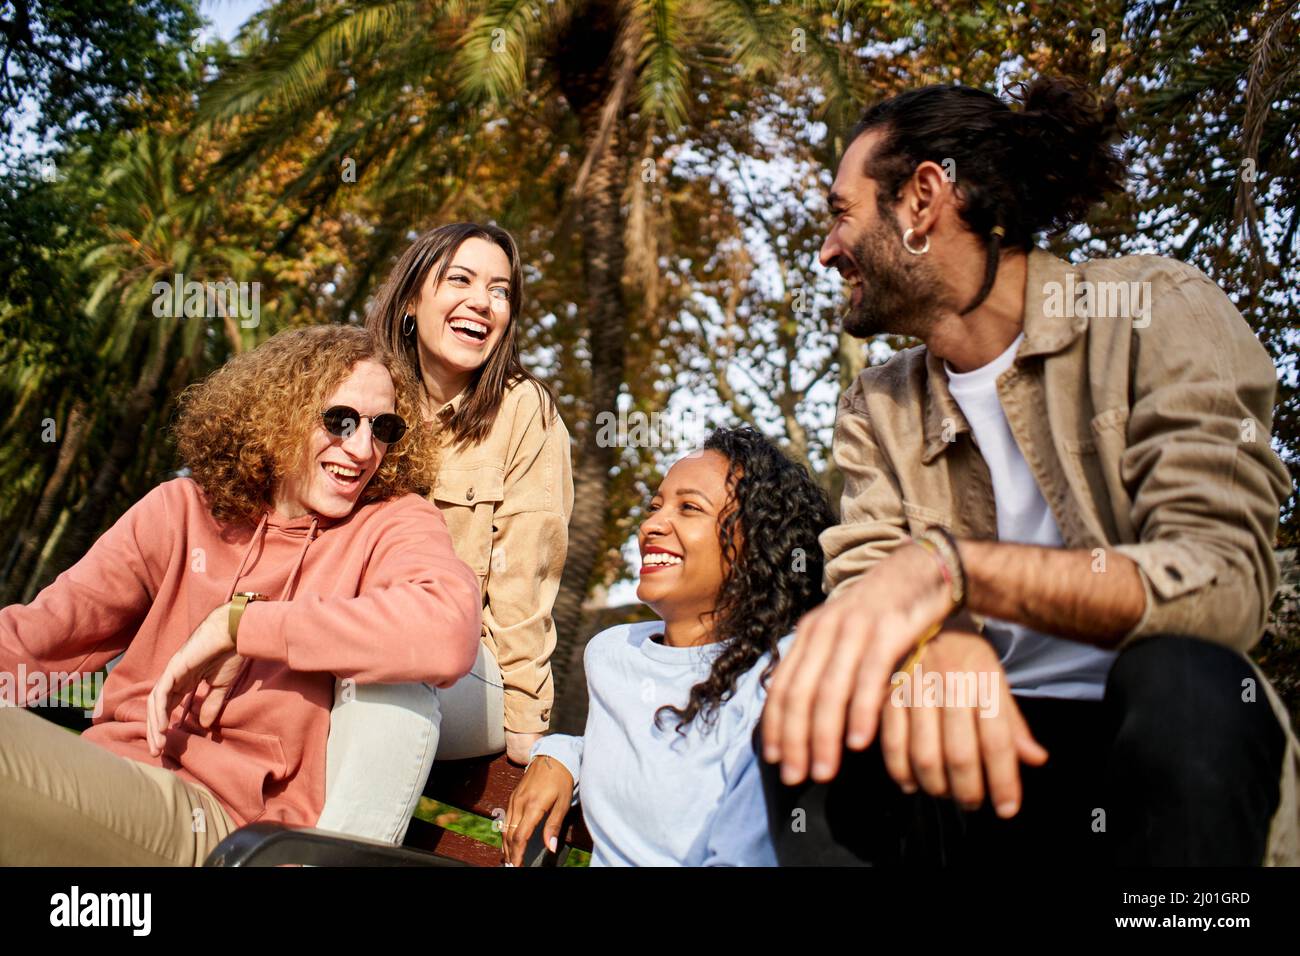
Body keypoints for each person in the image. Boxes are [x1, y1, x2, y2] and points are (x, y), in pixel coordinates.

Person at [757, 76, 1299, 866]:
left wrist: (951, 573)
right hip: (966, 755)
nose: (828, 248)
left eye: (842, 213)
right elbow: (870, 577)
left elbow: (1223, 582)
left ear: (923, 201)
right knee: (811, 699)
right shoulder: (876, 403)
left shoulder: (1156, 310)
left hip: (1141, 758)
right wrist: (934, 638)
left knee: (1186, 680)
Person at [0, 325, 482, 865]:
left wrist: (240, 627)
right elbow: (35, 638)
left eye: (384, 428)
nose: (363, 448)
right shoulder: (181, 511)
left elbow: (447, 629)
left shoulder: (390, 524)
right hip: (107, 778)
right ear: (278, 413)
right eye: (340, 421)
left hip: (223, 830)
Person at [316, 223, 572, 842]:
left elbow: (524, 581)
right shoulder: (356, 390)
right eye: (459, 279)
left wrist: (527, 724)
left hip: (465, 664)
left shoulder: (523, 414)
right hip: (333, 642)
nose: (482, 303)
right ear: (411, 299)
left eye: (501, 291)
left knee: (394, 668)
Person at [503, 427, 835, 866]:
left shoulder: (787, 670)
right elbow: (649, 754)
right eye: (656, 506)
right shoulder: (613, 653)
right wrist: (563, 753)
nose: (652, 525)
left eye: (690, 508)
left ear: (756, 544)